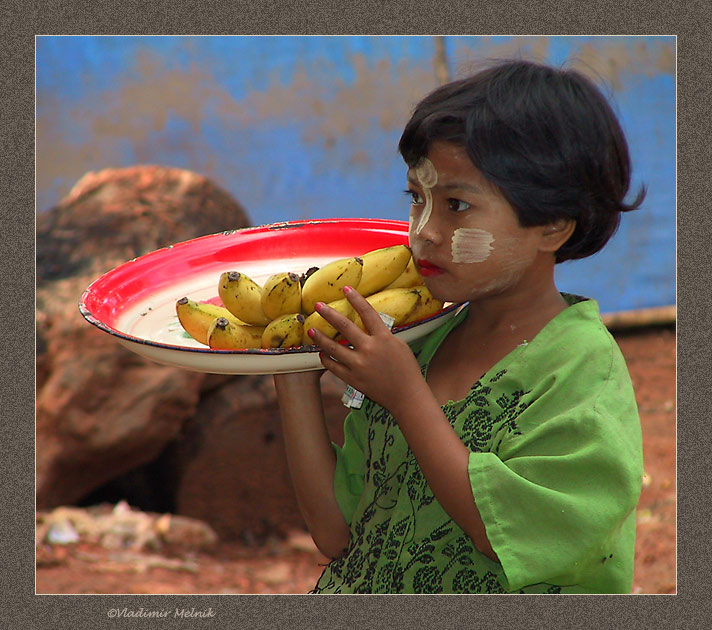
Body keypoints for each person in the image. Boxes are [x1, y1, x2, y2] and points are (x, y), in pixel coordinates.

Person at [273, 59, 646, 594]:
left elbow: (506, 536)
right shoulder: (417, 339)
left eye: (456, 205)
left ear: (552, 225)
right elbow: (336, 533)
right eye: (416, 200)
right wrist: (292, 376)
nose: (423, 233)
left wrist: (407, 397)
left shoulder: (581, 369)